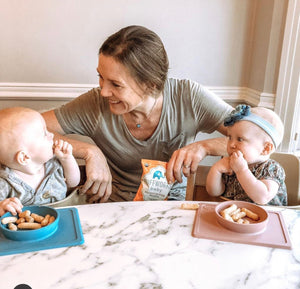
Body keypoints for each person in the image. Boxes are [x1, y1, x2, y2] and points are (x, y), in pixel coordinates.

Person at [42, 25, 233, 203]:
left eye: (116, 84)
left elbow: (258, 137)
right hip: (113, 207)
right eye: (101, 77)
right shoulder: (94, 104)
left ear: (151, 85)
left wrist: (205, 147)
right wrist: (89, 151)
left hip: (171, 210)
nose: (103, 92)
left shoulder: (189, 97)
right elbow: (26, 127)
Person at [0, 107, 81, 216]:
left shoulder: (55, 163)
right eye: (44, 134)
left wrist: (67, 159)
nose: (51, 135)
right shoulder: (5, 182)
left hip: (63, 220)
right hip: (26, 231)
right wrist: (2, 206)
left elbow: (73, 182)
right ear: (25, 157)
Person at [206, 104, 287, 206]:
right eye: (230, 137)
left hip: (269, 218)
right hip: (233, 217)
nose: (231, 144)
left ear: (266, 148)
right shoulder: (231, 163)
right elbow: (214, 192)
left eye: (240, 139)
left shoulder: (271, 169)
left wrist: (241, 171)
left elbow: (262, 198)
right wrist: (216, 169)